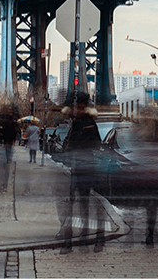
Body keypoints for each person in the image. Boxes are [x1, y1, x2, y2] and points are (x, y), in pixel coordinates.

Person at [60, 91, 102, 254]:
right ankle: (70, 241)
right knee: (72, 204)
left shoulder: (88, 122)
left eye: (78, 106)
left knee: (83, 203)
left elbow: (96, 144)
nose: (75, 108)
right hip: (77, 167)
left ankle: (79, 238)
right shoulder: (75, 122)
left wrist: (78, 146)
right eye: (74, 106)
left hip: (86, 166)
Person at [0, 113, 18, 194]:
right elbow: (15, 134)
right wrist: (13, 141)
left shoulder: (3, 128)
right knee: (7, 164)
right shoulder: (13, 128)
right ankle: (4, 186)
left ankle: (2, 185)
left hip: (4, 144)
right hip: (9, 144)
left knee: (2, 166)